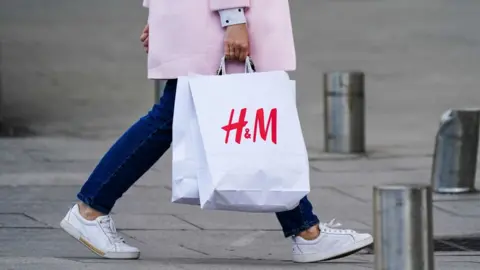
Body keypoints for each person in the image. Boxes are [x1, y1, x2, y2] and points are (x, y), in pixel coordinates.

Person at [60, 0, 373, 263]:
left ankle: (306, 231)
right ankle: (90, 210)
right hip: (221, 17)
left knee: (196, 117)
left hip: (201, 15)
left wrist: (163, 13)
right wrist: (233, 15)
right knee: (179, 117)